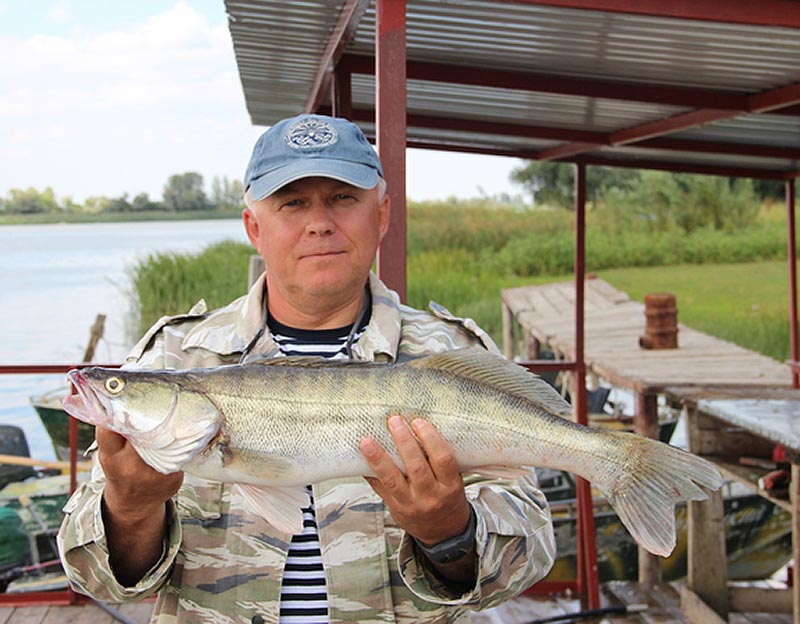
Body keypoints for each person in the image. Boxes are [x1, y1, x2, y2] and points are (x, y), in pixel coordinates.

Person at [58, 113, 555, 623]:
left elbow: (530, 556)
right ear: (254, 226)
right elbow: (93, 577)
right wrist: (130, 508)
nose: (320, 222)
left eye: (343, 198)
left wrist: (450, 536)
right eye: (292, 202)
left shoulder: (451, 353)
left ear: (382, 214)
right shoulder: (174, 356)